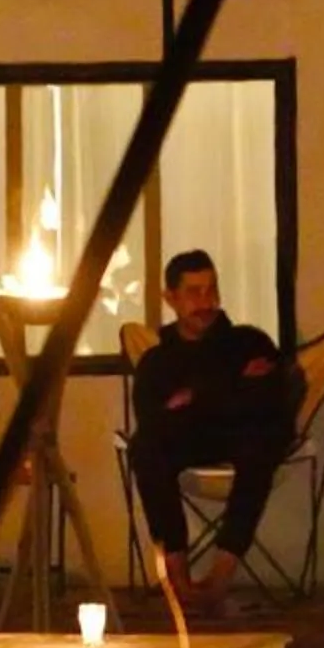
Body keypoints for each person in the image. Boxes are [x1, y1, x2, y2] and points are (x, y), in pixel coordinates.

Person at [129, 249, 298, 615]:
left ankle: (219, 581)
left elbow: (273, 405)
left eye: (211, 290)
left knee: (261, 444)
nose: (206, 302)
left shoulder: (249, 343)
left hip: (245, 440)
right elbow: (154, 421)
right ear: (170, 298)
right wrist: (233, 388)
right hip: (187, 445)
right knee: (145, 449)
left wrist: (197, 397)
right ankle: (180, 583)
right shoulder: (157, 362)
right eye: (193, 292)